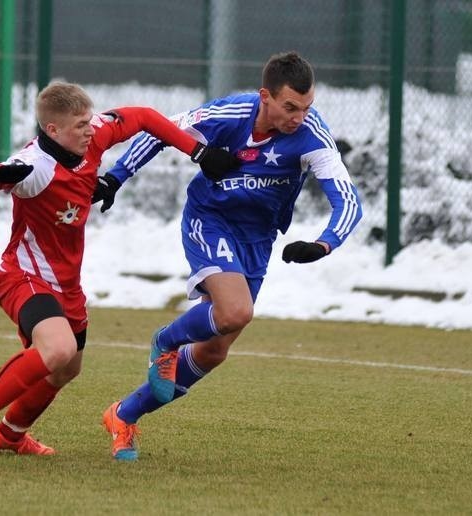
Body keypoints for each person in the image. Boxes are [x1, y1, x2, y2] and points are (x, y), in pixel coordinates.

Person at [0, 81, 239, 464]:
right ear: (52, 130)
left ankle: (10, 434)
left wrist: (198, 151)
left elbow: (145, 117)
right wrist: (3, 175)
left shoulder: (93, 136)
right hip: (25, 275)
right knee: (58, 349)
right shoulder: (36, 166)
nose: (91, 130)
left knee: (67, 369)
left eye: (90, 121)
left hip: (67, 283)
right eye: (80, 125)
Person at [95, 51, 363, 461]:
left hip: (257, 240)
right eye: (290, 107)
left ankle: (123, 416)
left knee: (213, 351)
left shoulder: (312, 135)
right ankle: (165, 340)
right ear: (265, 97)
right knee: (236, 312)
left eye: (306, 108)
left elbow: (348, 200)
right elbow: (158, 131)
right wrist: (116, 177)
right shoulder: (228, 113)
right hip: (210, 220)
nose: (299, 117)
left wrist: (324, 243)